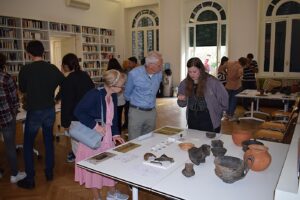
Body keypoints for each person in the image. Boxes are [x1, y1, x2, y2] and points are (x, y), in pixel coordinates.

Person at [17, 40, 65, 189]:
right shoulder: (52, 68)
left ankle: (30, 179)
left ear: (29, 54)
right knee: (48, 141)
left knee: (28, 144)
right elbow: (65, 83)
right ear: (43, 52)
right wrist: (56, 99)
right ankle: (49, 173)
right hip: (49, 110)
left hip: (34, 111)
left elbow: (23, 89)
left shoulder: (25, 69)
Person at [74, 69, 125, 200]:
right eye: (121, 85)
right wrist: (95, 126)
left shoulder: (112, 95)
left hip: (107, 138)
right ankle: (97, 197)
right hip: (93, 138)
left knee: (109, 166)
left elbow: (113, 119)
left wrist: (115, 135)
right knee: (94, 169)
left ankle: (112, 193)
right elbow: (78, 111)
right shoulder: (94, 94)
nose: (122, 88)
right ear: (112, 85)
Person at [177, 57, 228, 133]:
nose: (192, 74)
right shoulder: (184, 83)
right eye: (189, 72)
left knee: (209, 142)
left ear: (201, 70)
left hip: (209, 118)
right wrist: (182, 100)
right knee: (194, 141)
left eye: (194, 71)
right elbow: (181, 104)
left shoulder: (212, 82)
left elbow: (224, 99)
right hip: (192, 118)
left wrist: (218, 112)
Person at [60, 53, 94, 163]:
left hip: (76, 118)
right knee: (87, 143)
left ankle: (83, 171)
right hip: (89, 116)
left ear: (65, 66)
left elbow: (66, 104)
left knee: (77, 145)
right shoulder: (86, 76)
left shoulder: (68, 80)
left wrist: (65, 123)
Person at [124, 51, 163, 140]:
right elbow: (127, 94)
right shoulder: (134, 74)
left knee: (149, 140)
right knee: (134, 141)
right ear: (150, 65)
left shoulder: (159, 74)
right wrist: (138, 102)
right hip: (136, 112)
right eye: (159, 65)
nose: (161, 67)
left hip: (151, 112)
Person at [0, 53, 26, 183]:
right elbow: (15, 99)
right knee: (10, 146)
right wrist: (14, 112)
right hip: (6, 118)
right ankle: (14, 175)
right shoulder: (6, 78)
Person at [107, 58, 125, 133]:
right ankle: (118, 132)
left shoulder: (108, 75)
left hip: (113, 99)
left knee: (111, 117)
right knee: (118, 117)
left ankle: (113, 133)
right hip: (121, 100)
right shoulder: (123, 74)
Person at [122, 57, 138, 130]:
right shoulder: (126, 70)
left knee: (132, 111)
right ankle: (126, 124)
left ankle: (131, 124)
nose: (128, 64)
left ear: (134, 63)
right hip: (128, 93)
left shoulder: (137, 71)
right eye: (128, 63)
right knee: (126, 110)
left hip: (134, 94)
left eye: (130, 63)